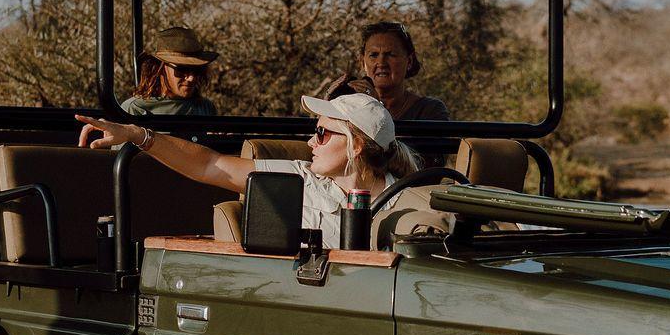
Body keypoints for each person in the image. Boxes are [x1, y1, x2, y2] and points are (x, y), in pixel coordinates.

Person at [76, 92, 417, 249]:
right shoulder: (298, 178)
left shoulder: (409, 200)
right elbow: (210, 165)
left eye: (322, 133)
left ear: (356, 145)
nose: (311, 142)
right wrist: (140, 136)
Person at [323, 21, 450, 122]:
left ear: (409, 61)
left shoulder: (429, 110)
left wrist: (375, 109)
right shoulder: (348, 108)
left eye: (391, 55)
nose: (381, 63)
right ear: (362, 62)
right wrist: (327, 107)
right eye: (373, 55)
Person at [121, 26, 218, 118]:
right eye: (182, 69)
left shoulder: (205, 108)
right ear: (160, 68)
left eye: (197, 70)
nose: (191, 78)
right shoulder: (134, 109)